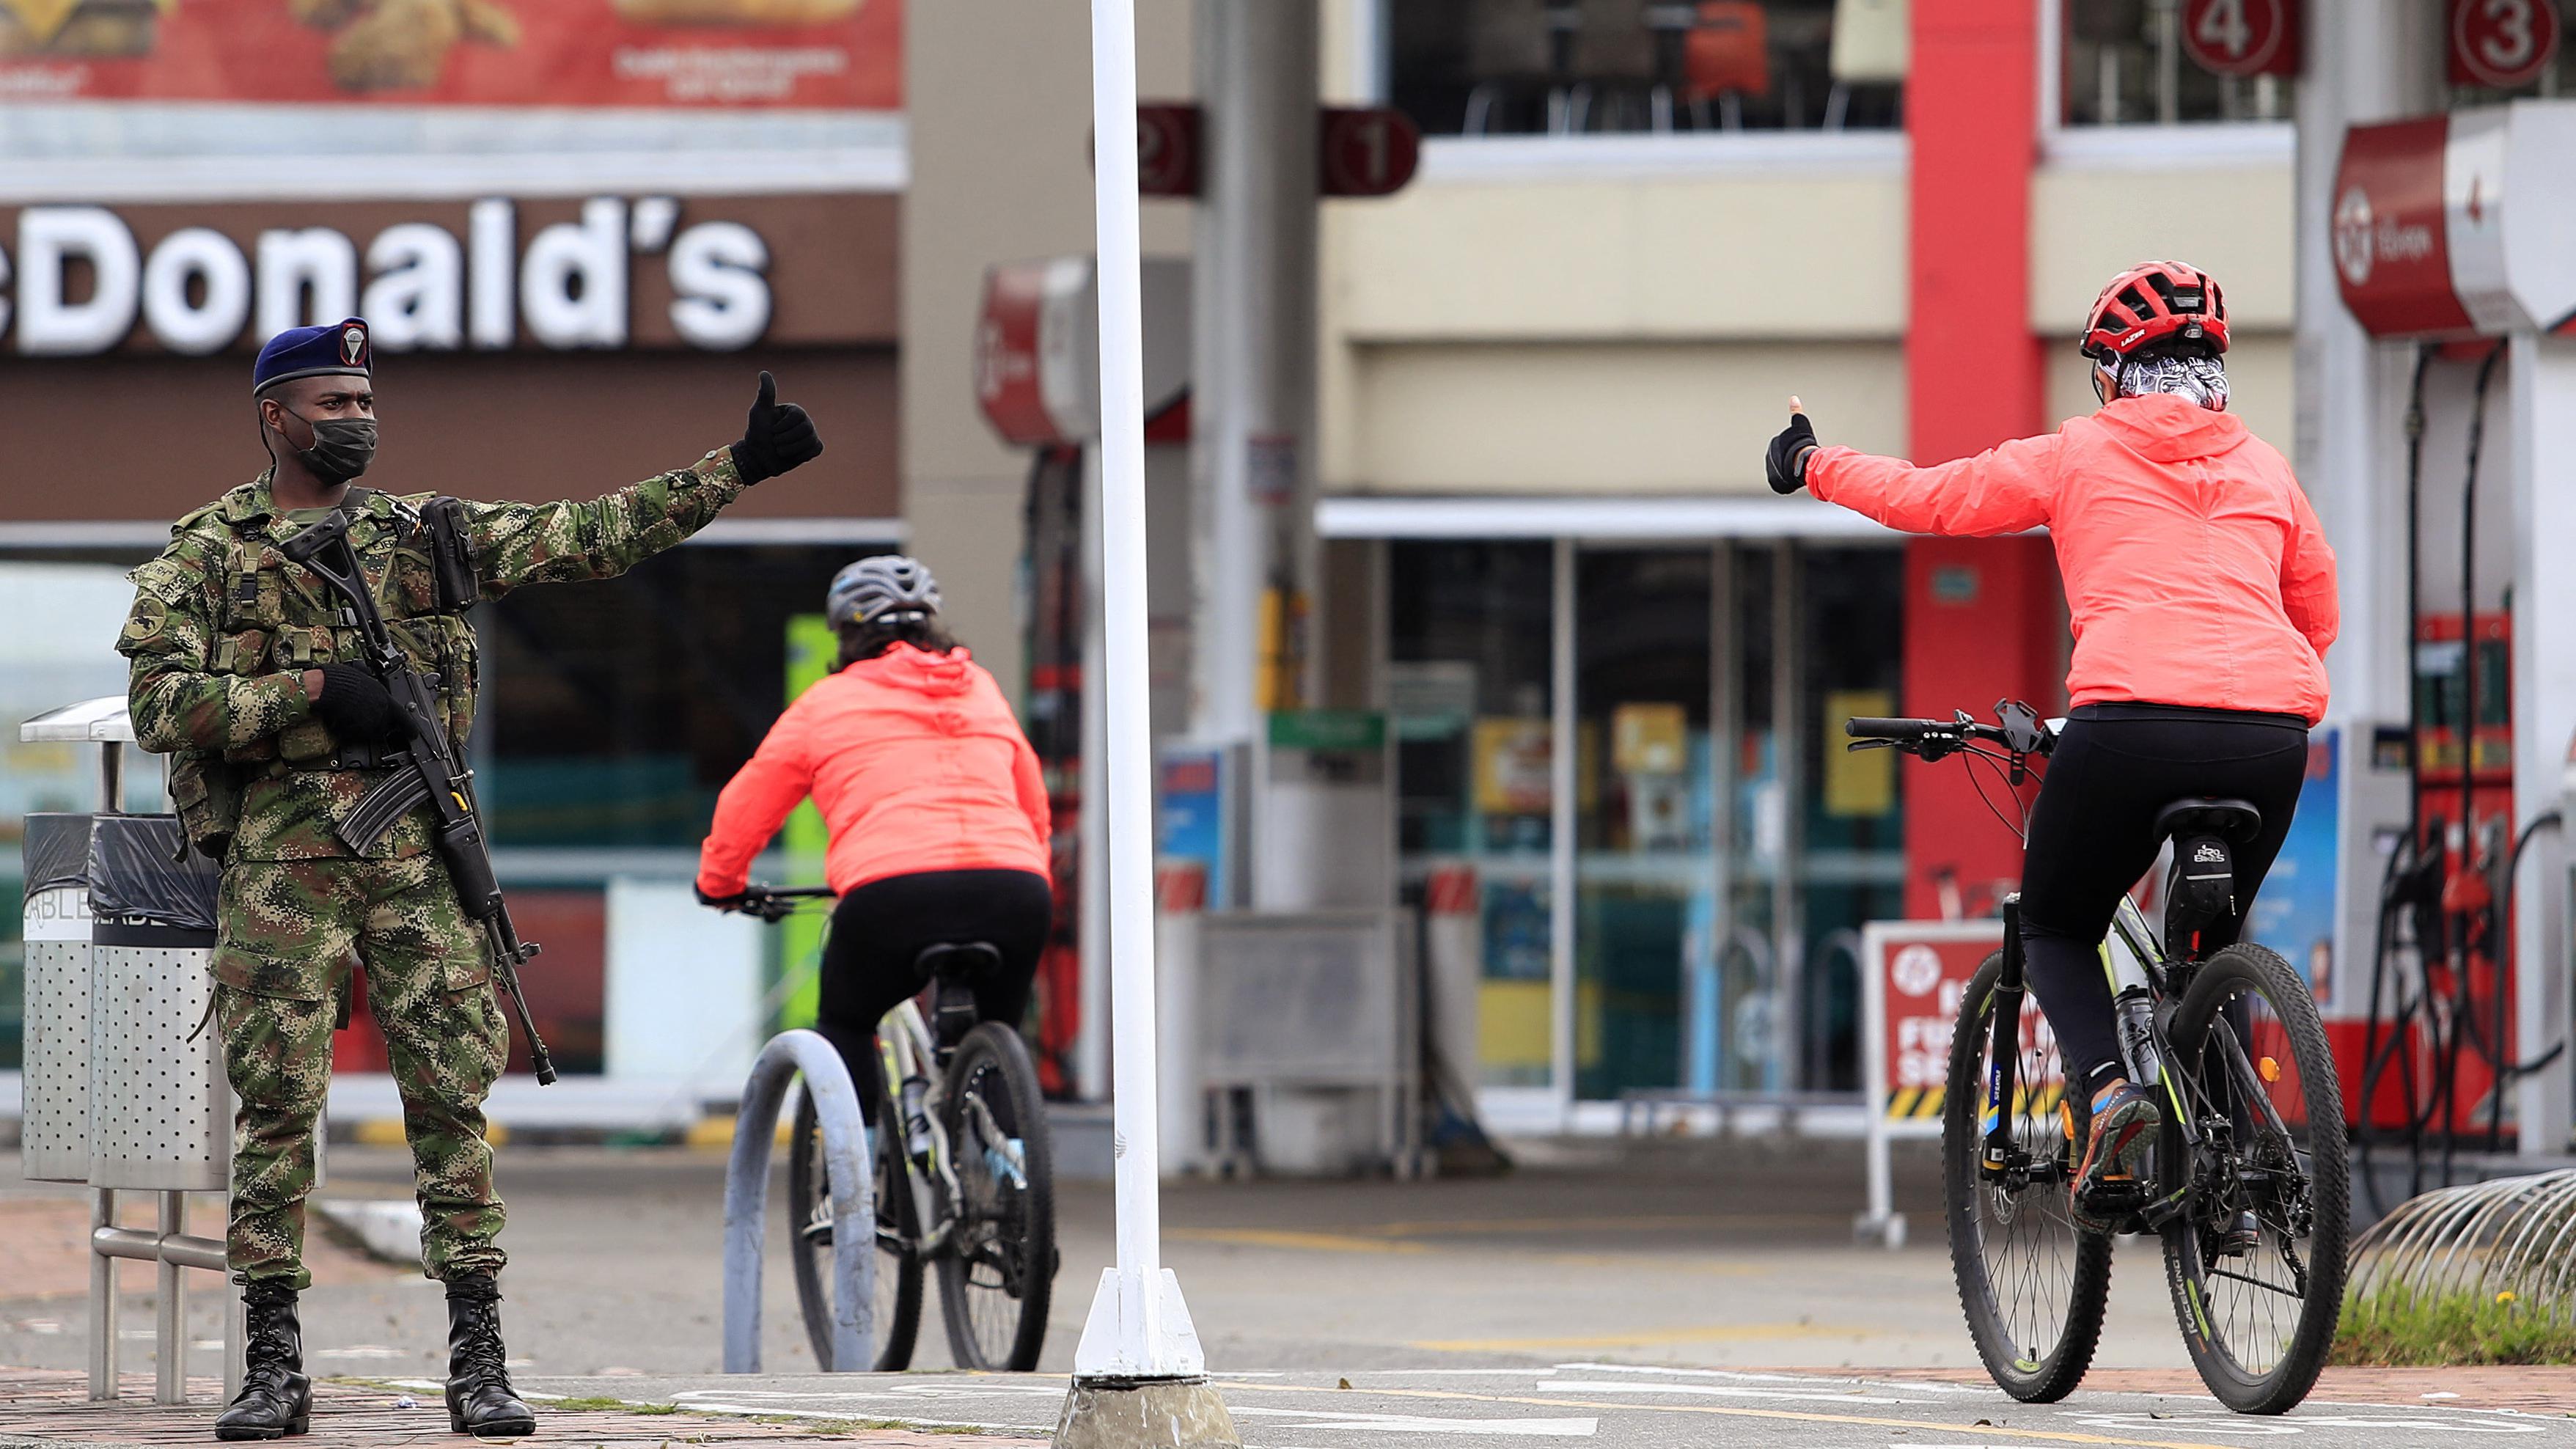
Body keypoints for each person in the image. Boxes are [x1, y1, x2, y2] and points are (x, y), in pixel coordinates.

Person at [119, 318, 823, 1441]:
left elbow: (587, 536)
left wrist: (730, 470)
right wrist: (311, 696)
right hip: (281, 868)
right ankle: (270, 1360)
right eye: (333, 404)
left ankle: (479, 1357)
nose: (356, 419)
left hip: (418, 861)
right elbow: (162, 704)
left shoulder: (423, 536)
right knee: (277, 1115)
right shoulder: (206, 555)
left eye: (363, 401)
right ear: (275, 418)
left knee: (451, 1105)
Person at [1765, 260, 2337, 1227]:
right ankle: (2237, 1169)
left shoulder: (2079, 452)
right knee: (2211, 948)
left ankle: (2111, 1094)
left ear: (2116, 374)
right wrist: (2249, 695)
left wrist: (1810, 462)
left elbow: (1929, 499)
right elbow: (2315, 610)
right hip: (2270, 736)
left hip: (2128, 725)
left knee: (2057, 923)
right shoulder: (2265, 467)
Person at [694, 555, 1053, 1128]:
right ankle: (1008, 1171)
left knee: (847, 1024)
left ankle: (854, 1180)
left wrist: (721, 884)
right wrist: (1025, 871)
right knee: (1000, 1034)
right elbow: (1032, 801)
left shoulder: (826, 702)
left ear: (847, 633)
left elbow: (748, 804)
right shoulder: (978, 687)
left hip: (891, 893)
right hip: (1013, 885)